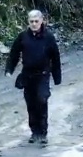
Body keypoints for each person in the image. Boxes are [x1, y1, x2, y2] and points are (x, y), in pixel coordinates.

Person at [5, 9, 62, 145]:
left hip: (42, 75)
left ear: (42, 21)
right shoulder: (23, 36)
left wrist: (57, 76)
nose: (34, 24)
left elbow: (55, 57)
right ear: (28, 22)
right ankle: (34, 131)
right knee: (31, 104)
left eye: (36, 21)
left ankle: (42, 132)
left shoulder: (48, 37)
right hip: (28, 75)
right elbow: (14, 53)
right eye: (32, 21)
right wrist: (9, 69)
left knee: (42, 101)